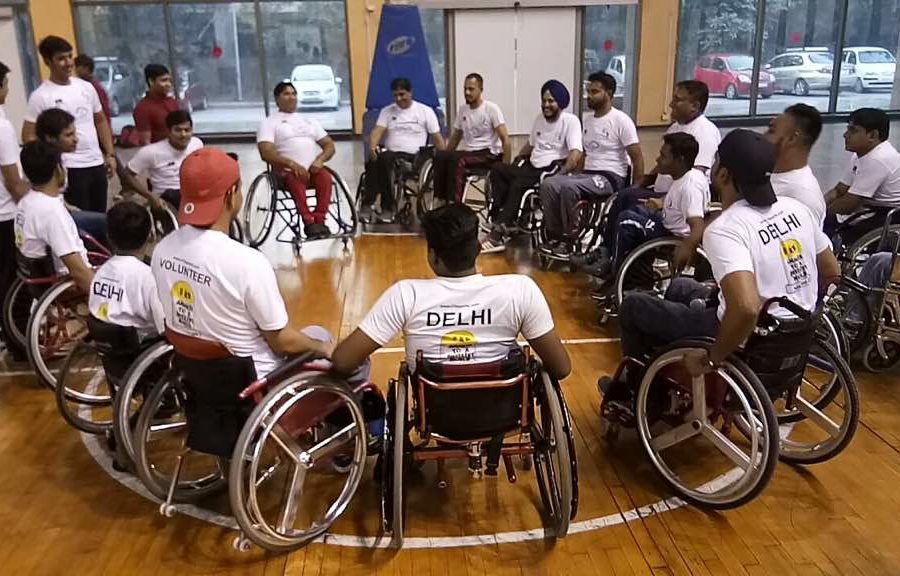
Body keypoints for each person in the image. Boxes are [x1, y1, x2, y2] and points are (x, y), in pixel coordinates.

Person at [600, 129, 840, 399]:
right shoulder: (797, 209)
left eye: (715, 161)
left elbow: (746, 308)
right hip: (793, 333)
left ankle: (638, 391)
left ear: (723, 174)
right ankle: (666, 374)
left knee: (634, 306)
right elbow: (832, 271)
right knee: (680, 286)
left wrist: (712, 358)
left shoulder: (725, 228)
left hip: (745, 336)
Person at [330, 203, 571, 381]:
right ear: (478, 249)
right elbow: (561, 368)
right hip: (503, 411)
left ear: (433, 256)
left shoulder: (405, 295)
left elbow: (343, 361)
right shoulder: (521, 289)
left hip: (436, 413)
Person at [151, 147, 331, 378]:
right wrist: (323, 348)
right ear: (232, 193)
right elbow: (282, 342)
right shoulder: (247, 262)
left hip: (194, 372)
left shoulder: (162, 249)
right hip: (255, 378)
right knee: (321, 337)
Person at [597, 80, 720, 256]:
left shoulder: (705, 132)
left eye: (677, 100)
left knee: (628, 210)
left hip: (675, 202)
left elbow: (695, 175)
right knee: (624, 195)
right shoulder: (675, 127)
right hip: (661, 191)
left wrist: (663, 201)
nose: (671, 104)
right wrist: (641, 182)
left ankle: (613, 255)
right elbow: (661, 163)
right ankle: (607, 250)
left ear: (695, 106)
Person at [539, 71, 644, 254]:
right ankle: (555, 235)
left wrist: (635, 188)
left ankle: (570, 240)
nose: (589, 95)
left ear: (609, 94)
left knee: (569, 188)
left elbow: (637, 156)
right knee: (549, 183)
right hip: (588, 174)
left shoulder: (621, 120)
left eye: (594, 92)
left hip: (610, 176)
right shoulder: (587, 120)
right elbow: (585, 154)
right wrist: (573, 174)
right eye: (588, 91)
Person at [481, 80, 583, 254]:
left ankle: (499, 233)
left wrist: (563, 174)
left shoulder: (570, 121)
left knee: (519, 183)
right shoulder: (539, 119)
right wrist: (516, 160)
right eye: (544, 100)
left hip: (550, 169)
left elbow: (576, 153)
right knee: (498, 169)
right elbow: (530, 145)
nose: (546, 105)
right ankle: (501, 218)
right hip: (531, 166)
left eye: (551, 101)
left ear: (560, 102)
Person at [591, 133, 707, 282]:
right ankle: (630, 271)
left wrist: (687, 248)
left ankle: (615, 273)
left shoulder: (690, 187)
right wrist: (661, 203)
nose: (658, 159)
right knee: (635, 207)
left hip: (673, 236)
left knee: (627, 220)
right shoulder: (686, 177)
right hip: (667, 223)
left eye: (663, 156)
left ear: (679, 160)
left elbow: (698, 225)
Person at [22, 36, 116, 214]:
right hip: (69, 168)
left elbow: (100, 120)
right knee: (79, 220)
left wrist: (110, 154)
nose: (68, 63)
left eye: (70, 56)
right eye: (61, 58)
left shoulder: (86, 87)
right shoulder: (40, 96)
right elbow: (28, 136)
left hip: (96, 163)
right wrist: (53, 162)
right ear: (48, 62)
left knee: (100, 218)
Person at [257, 82, 336, 240]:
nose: (291, 97)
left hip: (312, 169)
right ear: (277, 99)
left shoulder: (309, 121)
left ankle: (320, 220)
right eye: (286, 94)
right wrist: (291, 164)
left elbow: (329, 145)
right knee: (295, 176)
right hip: (285, 172)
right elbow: (266, 152)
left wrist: (320, 160)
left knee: (325, 177)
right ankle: (308, 222)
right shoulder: (269, 122)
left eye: (294, 94)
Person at [361, 77, 446, 223]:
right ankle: (367, 204)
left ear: (410, 92)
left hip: (415, 157)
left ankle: (388, 208)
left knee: (384, 159)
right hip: (390, 155)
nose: (399, 99)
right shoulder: (387, 111)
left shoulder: (425, 111)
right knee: (374, 161)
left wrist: (443, 159)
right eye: (395, 95)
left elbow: (437, 137)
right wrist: (372, 147)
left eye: (402, 94)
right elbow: (377, 131)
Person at [14, 140, 95, 293]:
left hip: (37, 275)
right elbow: (78, 271)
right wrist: (104, 299)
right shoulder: (51, 212)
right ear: (58, 169)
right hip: (67, 284)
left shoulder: (25, 202)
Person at [825, 108, 900, 248]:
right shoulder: (860, 154)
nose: (845, 135)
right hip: (869, 208)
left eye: (852, 131)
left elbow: (849, 204)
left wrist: (820, 213)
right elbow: (839, 190)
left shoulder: (879, 159)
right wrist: (817, 206)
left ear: (873, 135)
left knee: (826, 223)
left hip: (888, 216)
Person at [88, 201, 165, 340]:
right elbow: (164, 328)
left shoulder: (101, 272)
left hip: (105, 343)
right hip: (140, 343)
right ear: (150, 236)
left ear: (108, 237)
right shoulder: (148, 277)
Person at [431, 73, 510, 205]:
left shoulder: (491, 109)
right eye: (465, 89)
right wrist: (445, 155)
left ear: (481, 89)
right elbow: (456, 137)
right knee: (440, 156)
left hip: (489, 153)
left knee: (458, 160)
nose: (467, 92)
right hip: (470, 152)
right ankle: (440, 199)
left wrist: (506, 168)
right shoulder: (463, 110)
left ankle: (455, 205)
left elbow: (505, 139)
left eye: (471, 89)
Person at [34, 108, 108, 246]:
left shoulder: (58, 159)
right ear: (50, 138)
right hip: (54, 220)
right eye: (68, 135)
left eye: (74, 133)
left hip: (63, 212)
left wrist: (67, 206)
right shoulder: (42, 164)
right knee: (109, 224)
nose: (75, 139)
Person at [0, 61, 29, 358]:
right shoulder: (3, 127)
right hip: (6, 215)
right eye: (6, 84)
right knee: (14, 284)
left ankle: (9, 338)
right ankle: (19, 344)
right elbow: (13, 181)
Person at [123, 110, 203, 215]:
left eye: (187, 130)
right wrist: (150, 196)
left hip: (191, 194)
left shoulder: (197, 144)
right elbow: (126, 174)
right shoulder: (151, 152)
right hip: (166, 198)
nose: (183, 134)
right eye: (178, 130)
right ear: (168, 131)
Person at [765, 103, 825, 227]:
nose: (763, 136)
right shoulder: (767, 172)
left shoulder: (804, 197)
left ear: (792, 139)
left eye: (771, 131)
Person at [133, 64, 179, 146]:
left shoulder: (172, 102)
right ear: (151, 81)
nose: (168, 84)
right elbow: (145, 143)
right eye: (164, 80)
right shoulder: (142, 108)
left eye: (170, 81)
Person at [74, 54, 111, 124]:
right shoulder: (80, 85)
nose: (76, 71)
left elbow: (103, 112)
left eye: (77, 67)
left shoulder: (94, 87)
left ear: (86, 68)